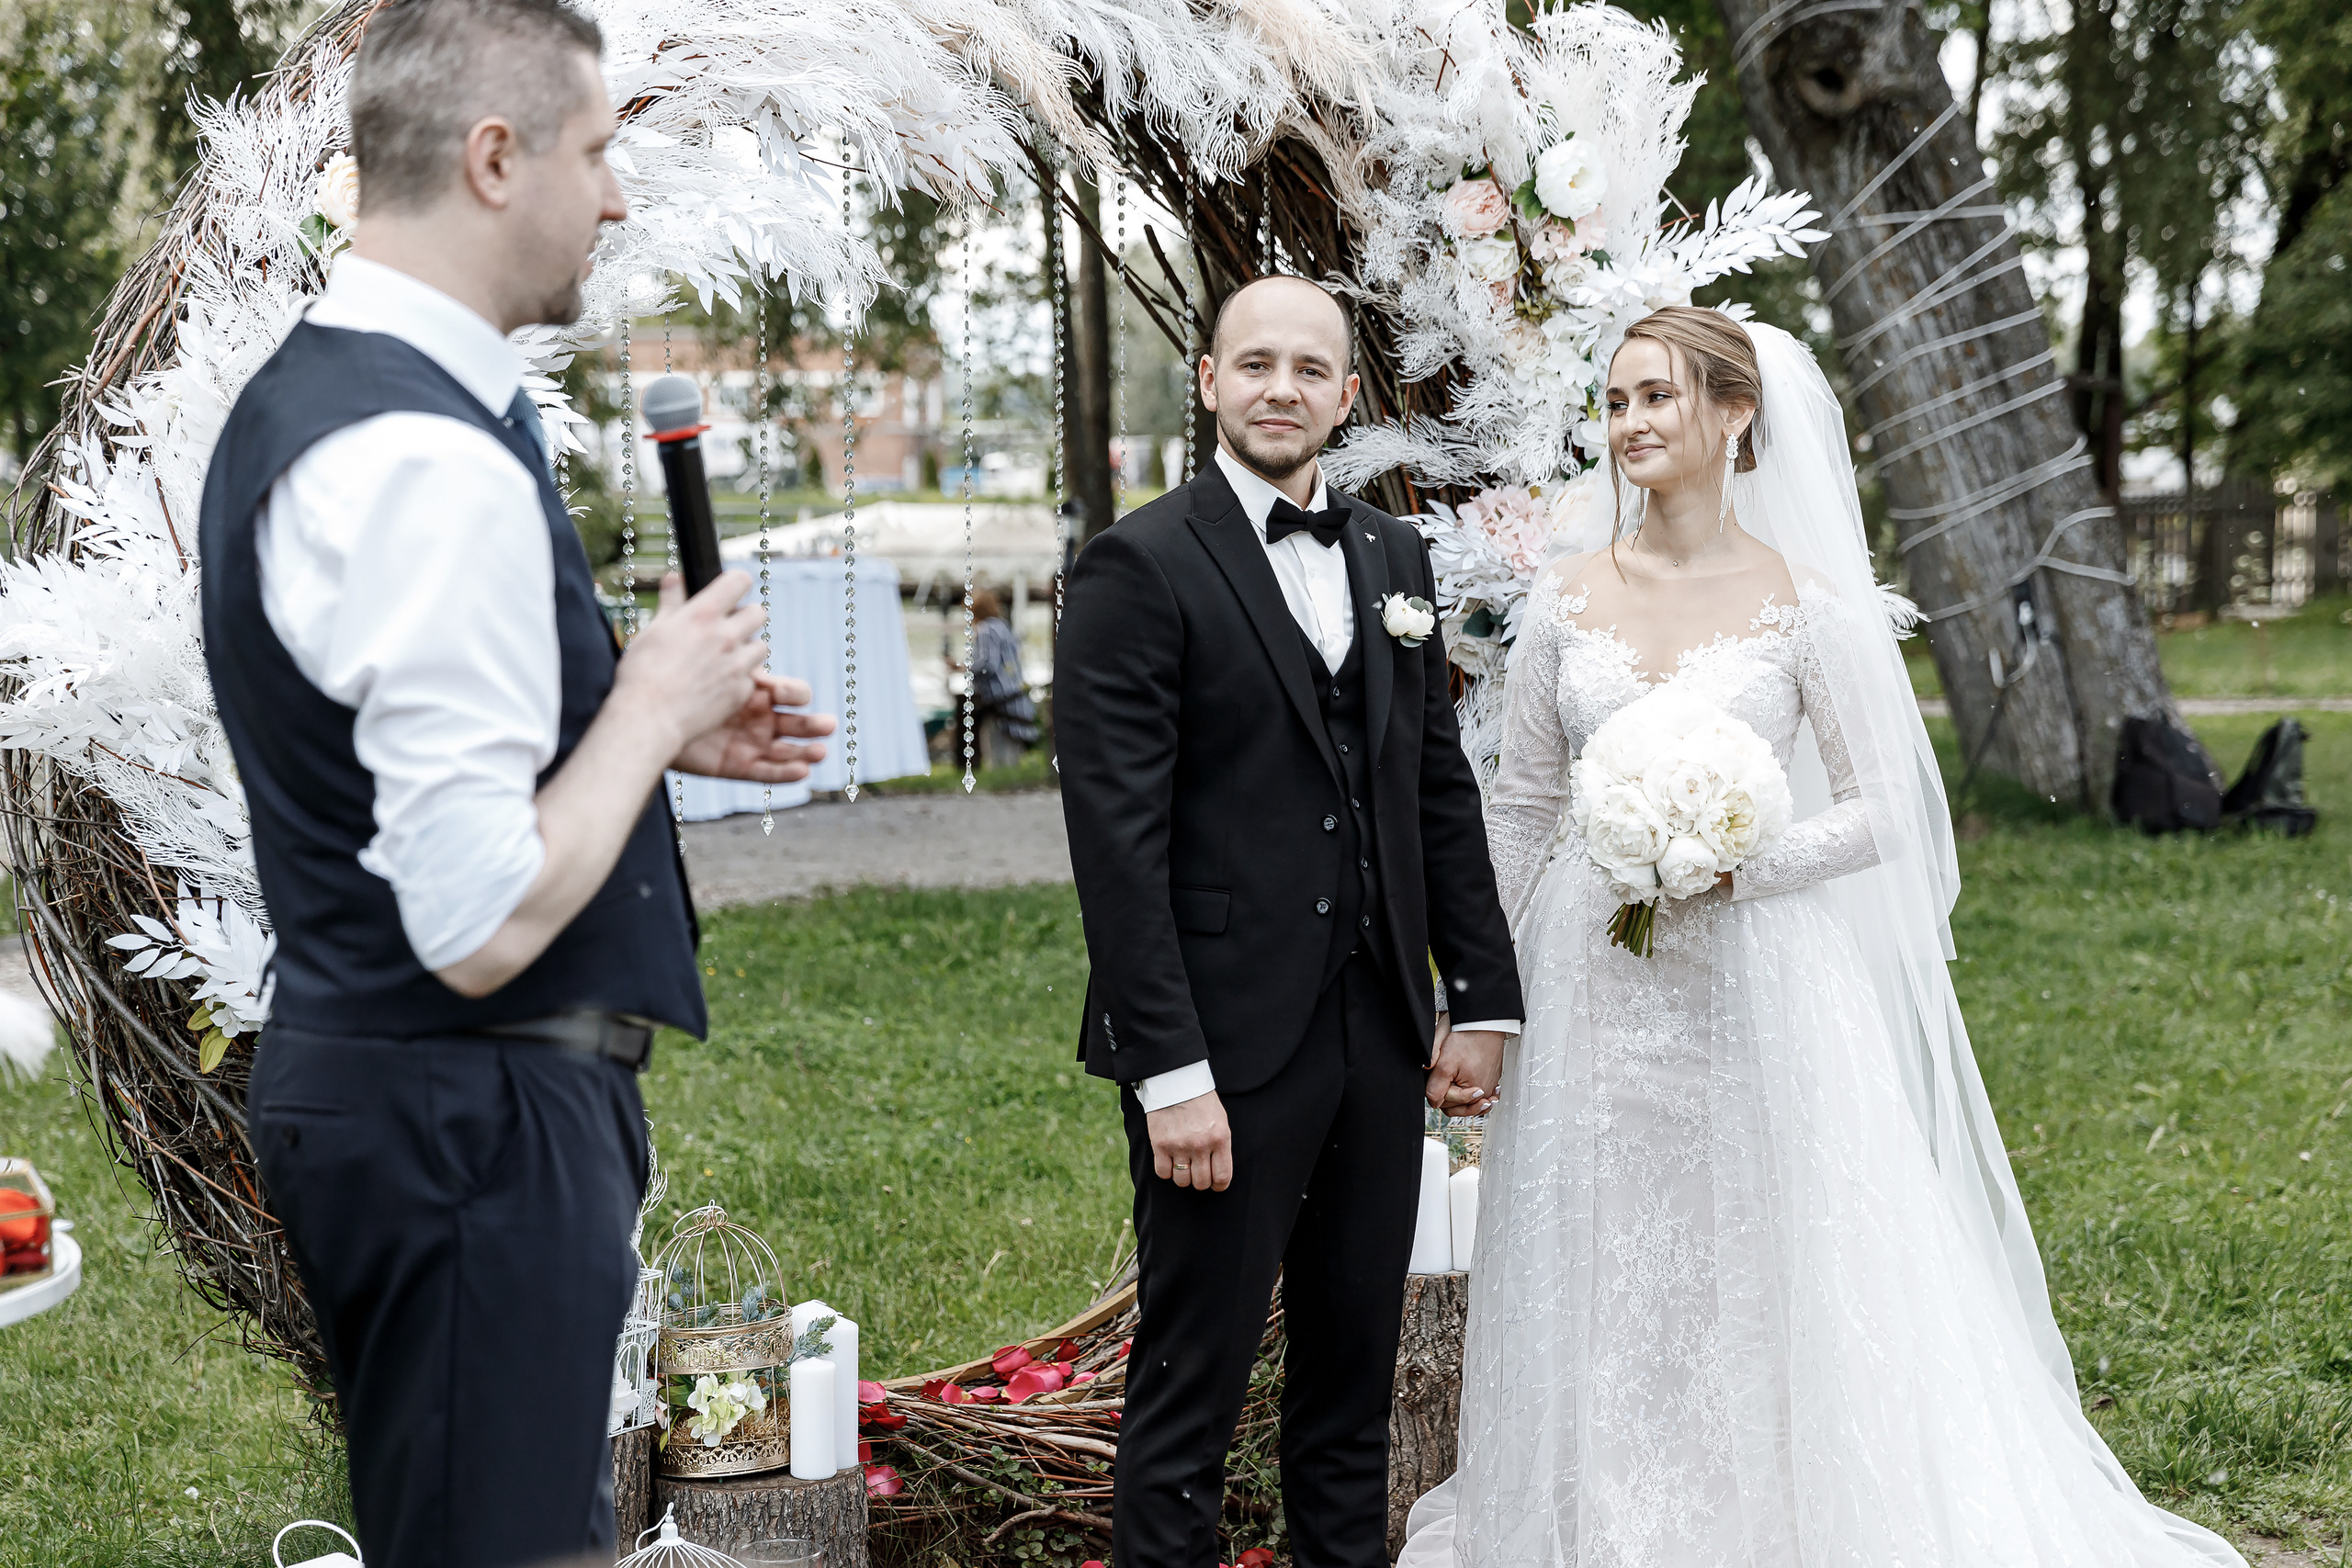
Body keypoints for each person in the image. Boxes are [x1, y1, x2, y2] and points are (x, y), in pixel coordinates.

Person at [1396, 307, 2245, 1568]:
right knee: (1603, 1248)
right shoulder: (1565, 598)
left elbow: (1885, 808)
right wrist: (1499, 990)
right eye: (1616, 401)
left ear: (1736, 414)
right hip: (1590, 982)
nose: (1629, 423)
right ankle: (1600, 1513)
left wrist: (1733, 861)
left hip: (1760, 978)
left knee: (1756, 1245)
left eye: (1657, 397)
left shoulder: (1807, 600)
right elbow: (1521, 806)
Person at [195, 2, 834, 1562]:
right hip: (466, 1105)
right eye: (598, 151)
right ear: (496, 158)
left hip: (412, 1098)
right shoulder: (423, 460)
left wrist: (642, 726)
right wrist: (651, 700)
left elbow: (392, 764)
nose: (616, 197)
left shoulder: (329, 399)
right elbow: (473, 913)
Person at [1054, 275, 1524, 1568]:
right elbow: (1116, 846)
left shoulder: (1391, 556)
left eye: (1309, 370)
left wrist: (1479, 994)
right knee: (1191, 1387)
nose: (1281, 388)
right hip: (1217, 1045)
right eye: (1254, 364)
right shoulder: (1135, 564)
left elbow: (1435, 784)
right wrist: (1170, 1074)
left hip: (1376, 1028)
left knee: (1349, 1388)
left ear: (1347, 397)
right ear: (1207, 380)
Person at [957, 586, 1040, 768]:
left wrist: (963, 668)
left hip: (998, 698)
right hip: (1015, 695)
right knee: (1012, 751)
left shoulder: (986, 629)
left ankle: (1000, 781)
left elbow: (988, 664)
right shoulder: (1003, 627)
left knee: (997, 750)